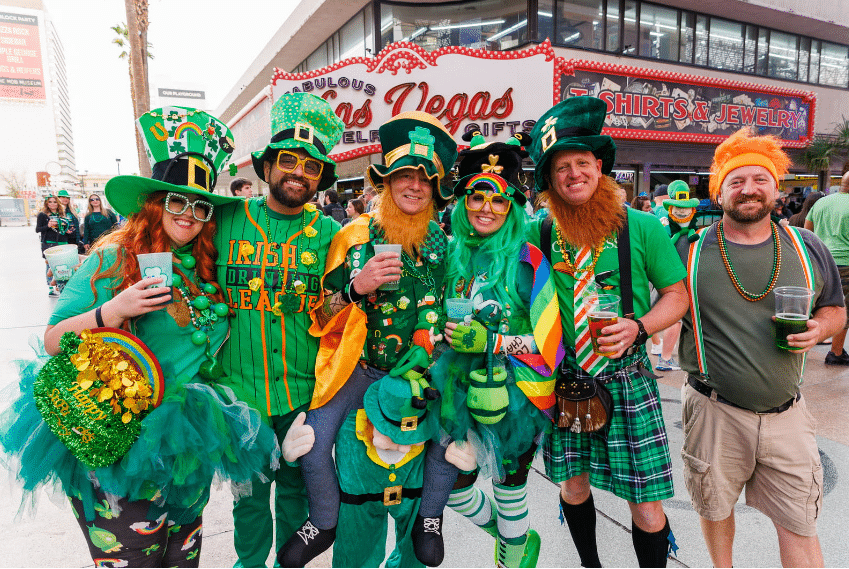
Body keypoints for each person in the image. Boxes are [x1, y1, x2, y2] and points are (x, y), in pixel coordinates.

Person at [0, 106, 278, 567]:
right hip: (122, 441)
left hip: (188, 442)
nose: (188, 215)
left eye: (199, 205)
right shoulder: (113, 259)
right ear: (154, 203)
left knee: (180, 559)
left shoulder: (206, 267)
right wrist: (114, 309)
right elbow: (53, 340)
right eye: (176, 201)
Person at [277, 110, 458, 567]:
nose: (413, 185)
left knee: (451, 430)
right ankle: (324, 519)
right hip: (359, 367)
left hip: (422, 369)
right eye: (403, 175)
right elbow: (319, 310)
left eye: (423, 178)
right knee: (313, 440)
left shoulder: (444, 243)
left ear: (435, 188)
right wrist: (357, 288)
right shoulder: (356, 234)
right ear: (386, 182)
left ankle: (430, 519)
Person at [527, 97, 689, 568]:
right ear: (550, 178)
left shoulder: (639, 226)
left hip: (627, 380)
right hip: (565, 381)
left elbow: (677, 296)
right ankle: (590, 564)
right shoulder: (540, 232)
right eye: (562, 166)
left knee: (646, 499)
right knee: (572, 484)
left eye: (582, 162)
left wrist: (639, 326)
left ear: (599, 167)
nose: (573, 173)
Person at [677, 128, 844, 568]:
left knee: (800, 523)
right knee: (714, 508)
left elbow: (835, 309)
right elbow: (657, 302)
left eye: (759, 180)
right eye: (736, 181)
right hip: (715, 410)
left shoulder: (808, 247)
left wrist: (819, 327)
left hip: (789, 414)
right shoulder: (689, 249)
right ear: (719, 190)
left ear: (775, 188)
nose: (748, 189)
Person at [213, 92, 345, 567]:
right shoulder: (224, 221)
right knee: (248, 501)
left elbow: (339, 308)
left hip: (303, 394)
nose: (298, 173)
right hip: (237, 395)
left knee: (297, 494)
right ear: (264, 167)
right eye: (288, 160)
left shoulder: (333, 234)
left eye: (311, 167)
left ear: (321, 179)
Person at [426, 130, 563, 567]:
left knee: (509, 487)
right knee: (451, 486)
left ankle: (511, 558)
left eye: (499, 199)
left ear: (512, 206)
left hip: (517, 392)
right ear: (463, 201)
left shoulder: (529, 260)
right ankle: (517, 543)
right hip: (456, 391)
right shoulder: (451, 254)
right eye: (477, 196)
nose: (486, 208)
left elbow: (551, 342)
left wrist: (497, 341)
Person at [805, 171, 849, 365]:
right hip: (845, 262)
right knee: (841, 308)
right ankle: (836, 352)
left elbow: (807, 232)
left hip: (819, 262)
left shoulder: (821, 203)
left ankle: (801, 346)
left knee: (815, 306)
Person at [35, 194, 70, 295]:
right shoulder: (42, 214)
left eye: (54, 202)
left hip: (62, 242)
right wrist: (48, 225)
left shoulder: (62, 214)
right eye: (50, 202)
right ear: (46, 203)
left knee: (63, 265)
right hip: (49, 243)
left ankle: (62, 285)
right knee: (49, 265)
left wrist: (67, 230)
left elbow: (64, 228)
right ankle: (50, 286)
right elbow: (38, 229)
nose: (52, 204)